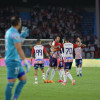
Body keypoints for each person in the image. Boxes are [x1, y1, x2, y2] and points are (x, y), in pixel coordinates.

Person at [5, 15, 30, 100]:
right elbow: (19, 49)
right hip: (13, 61)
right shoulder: (15, 34)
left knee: (23, 80)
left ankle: (14, 98)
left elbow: (17, 45)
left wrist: (21, 37)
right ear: (18, 23)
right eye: (20, 21)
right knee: (11, 83)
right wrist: (26, 62)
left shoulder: (9, 32)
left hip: (15, 60)